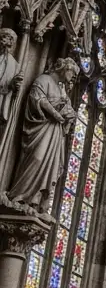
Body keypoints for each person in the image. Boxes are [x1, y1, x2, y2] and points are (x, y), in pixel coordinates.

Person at [6, 57, 78, 209]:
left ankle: (36, 202)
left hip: (55, 133)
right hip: (41, 130)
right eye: (72, 72)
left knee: (53, 167)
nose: (73, 77)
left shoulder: (62, 90)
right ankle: (19, 196)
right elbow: (38, 99)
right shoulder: (44, 79)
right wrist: (56, 114)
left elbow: (67, 109)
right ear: (64, 68)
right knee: (37, 159)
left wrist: (69, 115)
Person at [0, 28, 23, 127]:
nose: (5, 42)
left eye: (10, 40)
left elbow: (11, 87)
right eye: (3, 38)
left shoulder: (14, 64)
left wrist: (15, 84)